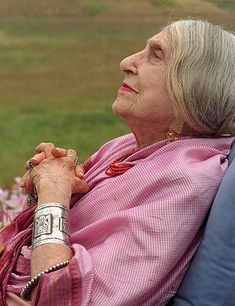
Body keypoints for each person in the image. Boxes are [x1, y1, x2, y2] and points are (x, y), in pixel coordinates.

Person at [0, 19, 235, 306]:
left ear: (194, 86)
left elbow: (63, 297)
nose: (127, 62)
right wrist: (49, 184)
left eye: (156, 55)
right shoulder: (125, 146)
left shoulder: (185, 180)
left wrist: (53, 194)